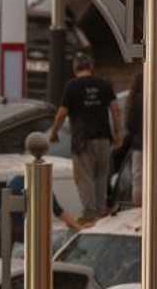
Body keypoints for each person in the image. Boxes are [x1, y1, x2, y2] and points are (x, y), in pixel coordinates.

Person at [51, 52, 121, 218]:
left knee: (85, 178)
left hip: (82, 140)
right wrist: (117, 134)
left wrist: (54, 132)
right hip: (103, 139)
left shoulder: (72, 86)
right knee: (101, 176)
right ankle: (101, 211)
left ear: (75, 69)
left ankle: (90, 214)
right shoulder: (105, 85)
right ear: (91, 67)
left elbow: (61, 114)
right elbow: (116, 111)